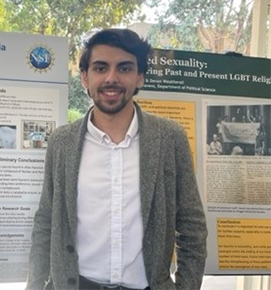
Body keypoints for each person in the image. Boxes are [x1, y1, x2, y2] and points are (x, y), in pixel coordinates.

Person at [26, 28, 207, 290]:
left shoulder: (169, 138)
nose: (112, 78)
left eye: (124, 68)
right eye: (101, 68)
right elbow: (46, 221)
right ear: (85, 78)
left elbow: (192, 226)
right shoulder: (61, 143)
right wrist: (34, 285)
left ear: (140, 77)